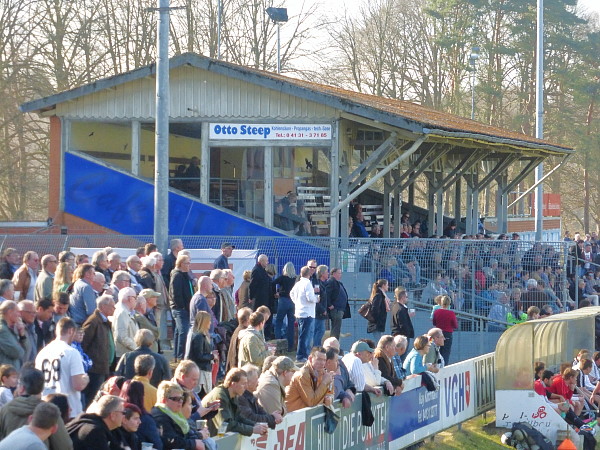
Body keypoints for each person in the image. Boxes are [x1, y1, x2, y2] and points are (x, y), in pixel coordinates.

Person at [0, 367, 72, 449]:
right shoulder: (49, 411)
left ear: (22, 388)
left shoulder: (5, 410)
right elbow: (64, 445)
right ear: (41, 389)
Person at [35, 317, 89, 418]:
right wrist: (85, 379)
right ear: (71, 330)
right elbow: (78, 385)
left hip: (46, 406)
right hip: (69, 409)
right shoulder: (72, 352)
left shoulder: (42, 353)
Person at [201, 368, 268, 437]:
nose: (246, 387)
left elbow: (239, 418)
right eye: (243, 384)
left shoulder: (233, 394)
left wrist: (256, 425)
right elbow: (226, 424)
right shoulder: (220, 396)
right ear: (233, 384)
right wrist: (252, 429)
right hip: (206, 438)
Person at [286, 346, 334, 412]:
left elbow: (330, 392)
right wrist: (324, 382)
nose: (322, 363)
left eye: (324, 360)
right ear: (310, 359)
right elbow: (311, 402)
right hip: (292, 417)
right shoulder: (303, 375)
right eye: (319, 359)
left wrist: (330, 398)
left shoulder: (324, 373)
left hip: (305, 416)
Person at [119, 380, 162, 450]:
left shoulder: (115, 418)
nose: (139, 422)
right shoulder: (146, 419)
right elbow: (158, 445)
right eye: (136, 418)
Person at [237, 364, 282, 428]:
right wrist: (272, 417)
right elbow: (251, 418)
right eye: (256, 379)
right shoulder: (240, 398)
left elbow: (262, 413)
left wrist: (273, 418)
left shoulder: (251, 397)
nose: (258, 382)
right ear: (247, 382)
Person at [290, 266, 318, 363]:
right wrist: (316, 299)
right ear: (309, 273)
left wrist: (297, 302)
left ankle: (301, 354)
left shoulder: (298, 283)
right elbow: (310, 298)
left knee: (302, 334)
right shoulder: (308, 283)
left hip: (299, 312)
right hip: (307, 313)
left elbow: (291, 293)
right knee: (304, 335)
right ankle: (301, 355)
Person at [170, 254, 194, 360]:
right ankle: (180, 357)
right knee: (183, 331)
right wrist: (183, 307)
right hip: (180, 309)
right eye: (187, 263)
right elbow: (176, 294)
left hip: (184, 308)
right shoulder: (177, 275)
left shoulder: (184, 274)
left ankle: (176, 355)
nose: (189, 265)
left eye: (189, 262)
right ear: (180, 263)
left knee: (178, 332)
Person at [185, 311, 215, 396]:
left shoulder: (203, 335)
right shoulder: (199, 336)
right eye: (208, 320)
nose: (210, 322)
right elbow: (199, 356)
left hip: (204, 370)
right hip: (201, 372)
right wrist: (212, 356)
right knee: (201, 395)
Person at [272, 262, 297, 351]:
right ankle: (290, 346)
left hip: (283, 301)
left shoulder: (282, 278)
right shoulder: (295, 278)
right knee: (291, 324)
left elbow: (273, 283)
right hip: (293, 302)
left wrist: (277, 292)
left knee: (279, 322)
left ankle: (278, 344)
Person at [113, 287, 140, 361]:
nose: (136, 301)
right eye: (135, 298)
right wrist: (136, 348)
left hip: (128, 354)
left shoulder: (125, 311)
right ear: (130, 299)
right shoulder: (122, 312)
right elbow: (121, 336)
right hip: (125, 356)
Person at [0, 301, 27, 370]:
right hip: (6, 375)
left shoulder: (11, 328)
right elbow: (17, 352)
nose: (19, 315)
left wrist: (22, 334)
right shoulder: (2, 330)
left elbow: (27, 351)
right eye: (17, 311)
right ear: (10, 312)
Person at [326, 267, 350, 341]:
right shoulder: (331, 282)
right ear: (333, 274)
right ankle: (333, 345)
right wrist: (329, 304)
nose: (340, 275)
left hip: (340, 309)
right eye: (339, 273)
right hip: (336, 309)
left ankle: (335, 344)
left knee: (337, 329)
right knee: (335, 329)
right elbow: (327, 294)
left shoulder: (338, 283)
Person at [432, 295, 457, 364]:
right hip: (448, 333)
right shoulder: (451, 313)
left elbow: (434, 322)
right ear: (449, 303)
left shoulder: (436, 312)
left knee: (437, 351)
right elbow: (455, 325)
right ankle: (444, 367)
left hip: (438, 333)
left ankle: (436, 367)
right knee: (446, 352)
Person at [225, 307, 252, 372]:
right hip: (237, 368)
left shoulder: (238, 330)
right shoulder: (243, 332)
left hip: (233, 367)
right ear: (248, 319)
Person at [390, 286, 415, 356]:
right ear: (403, 297)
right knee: (401, 356)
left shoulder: (395, 306)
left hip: (397, 333)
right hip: (402, 335)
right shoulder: (401, 309)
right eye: (406, 297)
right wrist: (407, 334)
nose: (407, 298)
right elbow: (402, 324)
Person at [313, 265, 329, 347]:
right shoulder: (317, 284)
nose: (328, 273)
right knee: (319, 330)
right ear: (322, 273)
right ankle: (316, 347)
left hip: (321, 312)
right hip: (318, 312)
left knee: (320, 330)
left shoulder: (324, 284)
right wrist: (323, 310)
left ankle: (316, 346)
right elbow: (316, 300)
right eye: (327, 272)